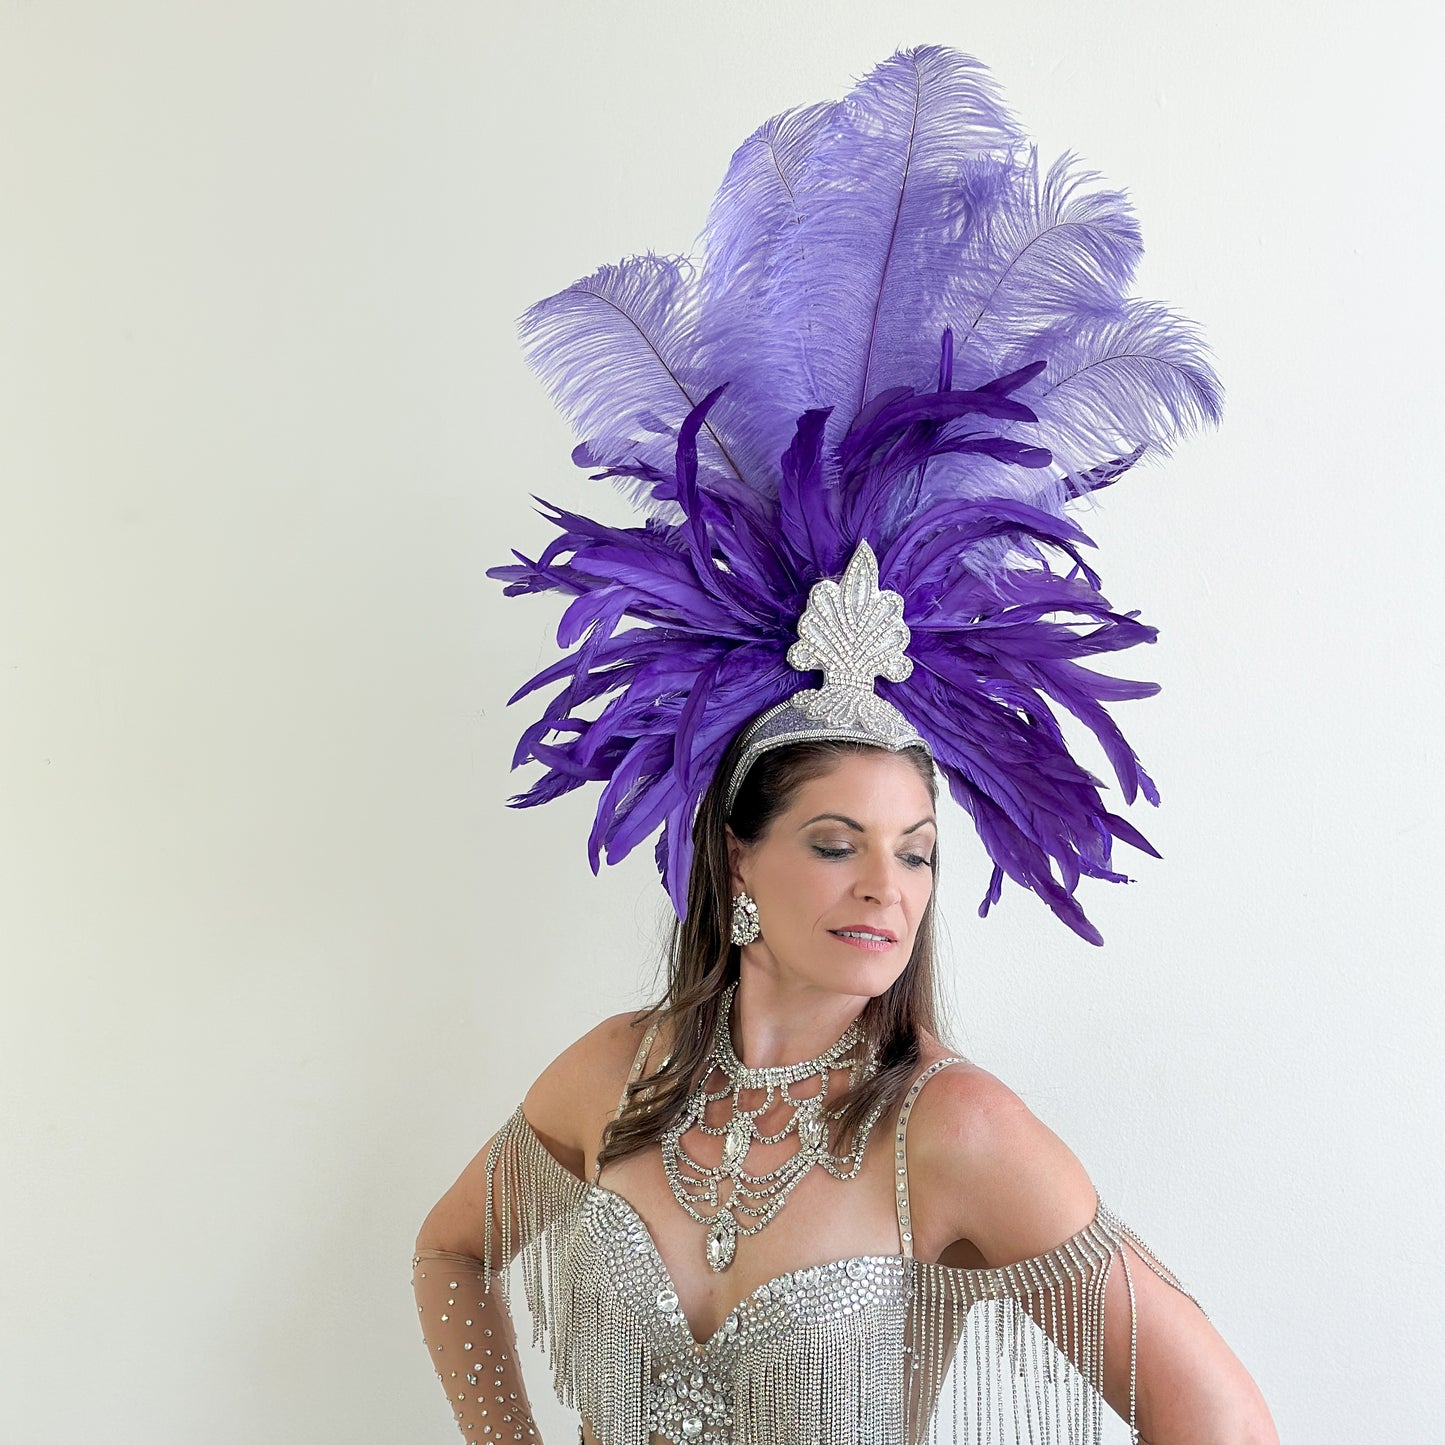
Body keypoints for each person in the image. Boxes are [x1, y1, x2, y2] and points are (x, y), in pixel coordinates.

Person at [413, 46, 1279, 1445]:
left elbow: (1221, 1423)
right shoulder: (614, 1076)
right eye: (837, 841)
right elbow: (449, 1252)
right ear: (737, 863)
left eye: (917, 851)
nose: (888, 885)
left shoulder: (952, 1130)